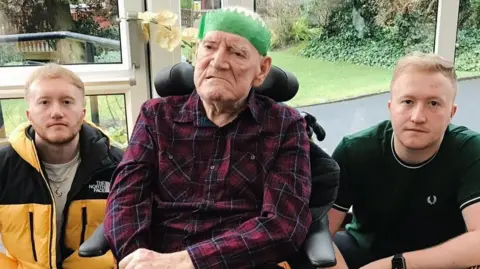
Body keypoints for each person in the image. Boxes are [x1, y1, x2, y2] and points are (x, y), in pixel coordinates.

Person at [104, 6, 313, 269]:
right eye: (209, 47)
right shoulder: (156, 116)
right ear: (195, 55)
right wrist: (138, 259)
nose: (218, 62)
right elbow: (125, 201)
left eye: (237, 53)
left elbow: (283, 224)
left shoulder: (285, 126)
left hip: (242, 263)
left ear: (261, 70)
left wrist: (189, 261)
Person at [327, 52, 480, 269]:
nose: (418, 117)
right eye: (408, 101)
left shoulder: (470, 150)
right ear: (391, 107)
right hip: (363, 252)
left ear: (451, 113)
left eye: (434, 104)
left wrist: (397, 264)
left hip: (439, 261)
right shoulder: (354, 150)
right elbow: (318, 231)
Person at [0, 63, 123, 269]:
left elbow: (135, 236)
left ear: (83, 112)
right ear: (29, 114)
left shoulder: (118, 165)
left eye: (66, 102)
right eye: (44, 102)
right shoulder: (3, 167)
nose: (56, 112)